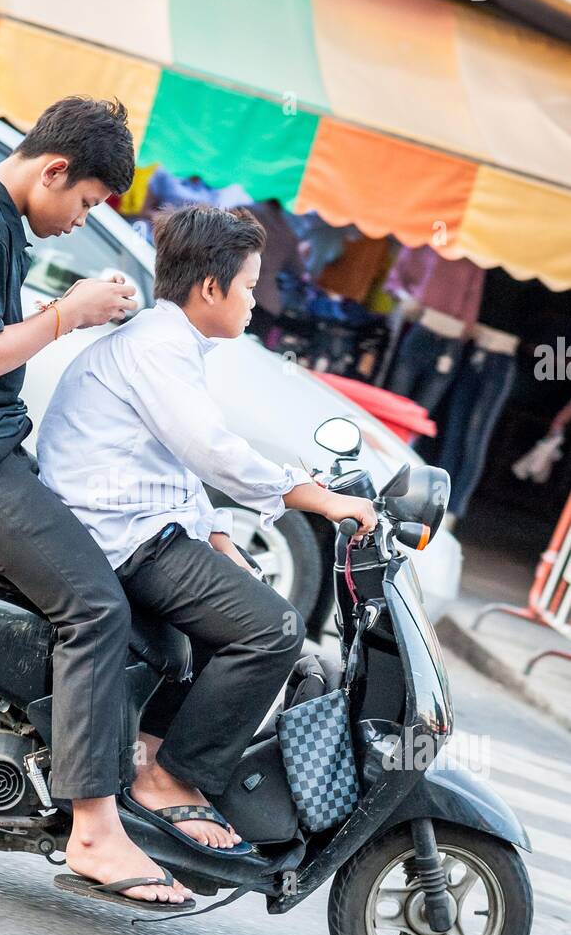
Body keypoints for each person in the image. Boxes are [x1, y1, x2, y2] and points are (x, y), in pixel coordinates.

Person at [0, 96, 195, 909]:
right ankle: (92, 829)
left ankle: (101, 769)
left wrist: (70, 314)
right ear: (54, 170)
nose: (79, 219)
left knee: (123, 597)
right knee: (94, 607)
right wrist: (69, 312)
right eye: (85, 202)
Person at [37, 205, 377, 863]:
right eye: (248, 285)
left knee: (232, 618)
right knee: (271, 630)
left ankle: (153, 759)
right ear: (210, 288)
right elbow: (212, 451)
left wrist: (221, 537)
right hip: (120, 536)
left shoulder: (168, 344)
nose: (255, 300)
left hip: (131, 524)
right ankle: (170, 777)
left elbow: (176, 465)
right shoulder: (159, 348)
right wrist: (320, 498)